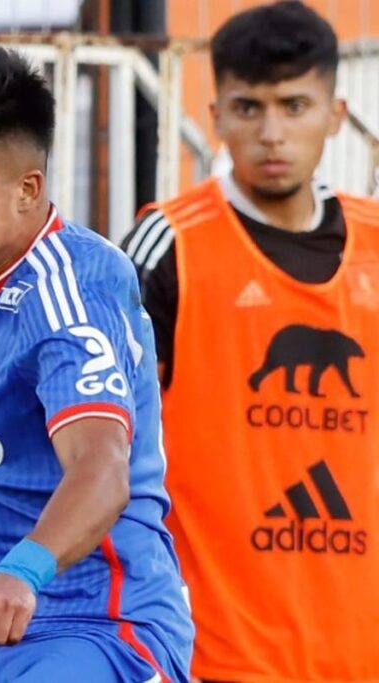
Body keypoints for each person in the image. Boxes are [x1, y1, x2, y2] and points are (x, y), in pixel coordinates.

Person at [0, 48, 194, 682]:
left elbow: (103, 468)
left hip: (101, 632)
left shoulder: (71, 290)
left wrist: (21, 573)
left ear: (28, 188)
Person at [120, 3, 379, 681]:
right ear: (217, 116)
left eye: (295, 106)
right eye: (249, 107)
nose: (272, 133)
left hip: (361, 647)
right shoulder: (170, 244)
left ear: (334, 113)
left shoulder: (376, 246)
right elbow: (100, 425)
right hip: (212, 650)